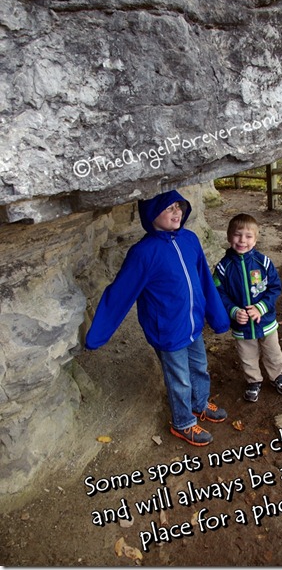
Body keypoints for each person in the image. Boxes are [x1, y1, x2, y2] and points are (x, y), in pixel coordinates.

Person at [85, 190, 230, 446]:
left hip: (194, 324)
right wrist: (98, 335)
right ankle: (183, 422)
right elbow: (120, 293)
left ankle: (199, 404)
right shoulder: (143, 253)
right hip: (167, 329)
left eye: (179, 206)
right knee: (179, 378)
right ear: (152, 213)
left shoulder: (190, 240)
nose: (177, 212)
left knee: (198, 367)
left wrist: (217, 317)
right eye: (169, 208)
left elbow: (204, 281)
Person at [213, 213, 282, 403]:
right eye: (237, 235)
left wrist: (261, 307)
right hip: (242, 324)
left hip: (265, 320)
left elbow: (274, 287)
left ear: (255, 239)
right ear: (228, 236)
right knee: (247, 355)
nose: (242, 240)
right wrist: (233, 310)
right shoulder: (223, 267)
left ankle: (277, 376)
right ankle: (253, 380)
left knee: (273, 350)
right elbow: (218, 293)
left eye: (248, 236)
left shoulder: (263, 263)